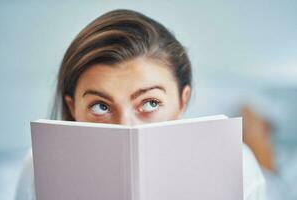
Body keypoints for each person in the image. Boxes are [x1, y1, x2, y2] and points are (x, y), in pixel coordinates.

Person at [15, 9, 266, 200]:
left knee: (265, 161)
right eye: (100, 106)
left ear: (182, 101)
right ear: (73, 109)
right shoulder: (38, 169)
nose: (125, 127)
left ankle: (254, 124)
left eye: (150, 103)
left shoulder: (237, 164)